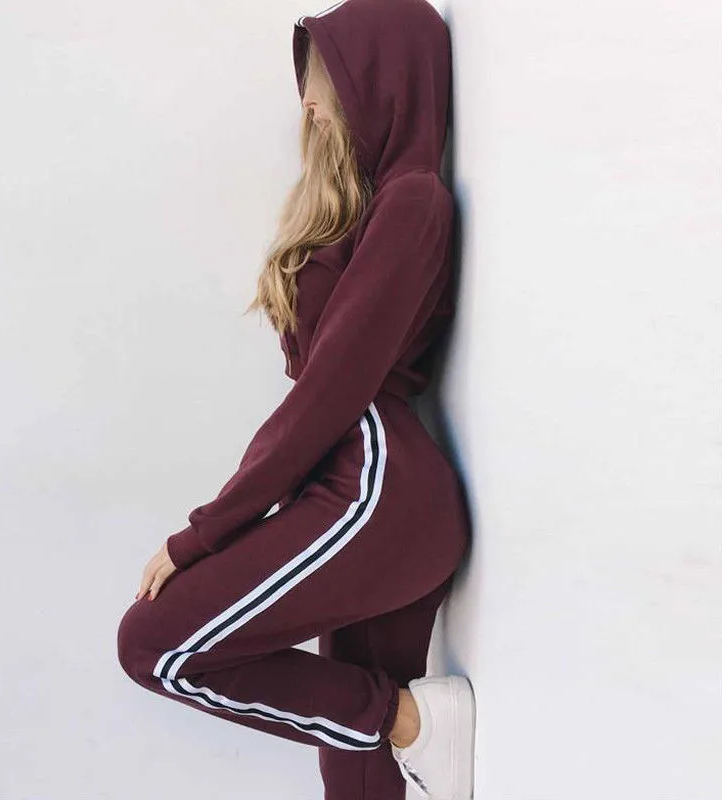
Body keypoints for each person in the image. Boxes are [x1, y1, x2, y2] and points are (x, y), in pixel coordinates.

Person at [117, 1, 476, 798]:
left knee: (156, 646)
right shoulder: (369, 204)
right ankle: (409, 726)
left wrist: (205, 534)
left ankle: (416, 722)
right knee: (353, 767)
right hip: (354, 486)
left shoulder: (415, 201)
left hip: (377, 490)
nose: (307, 103)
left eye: (325, 81)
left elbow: (329, 391)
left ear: (382, 79)